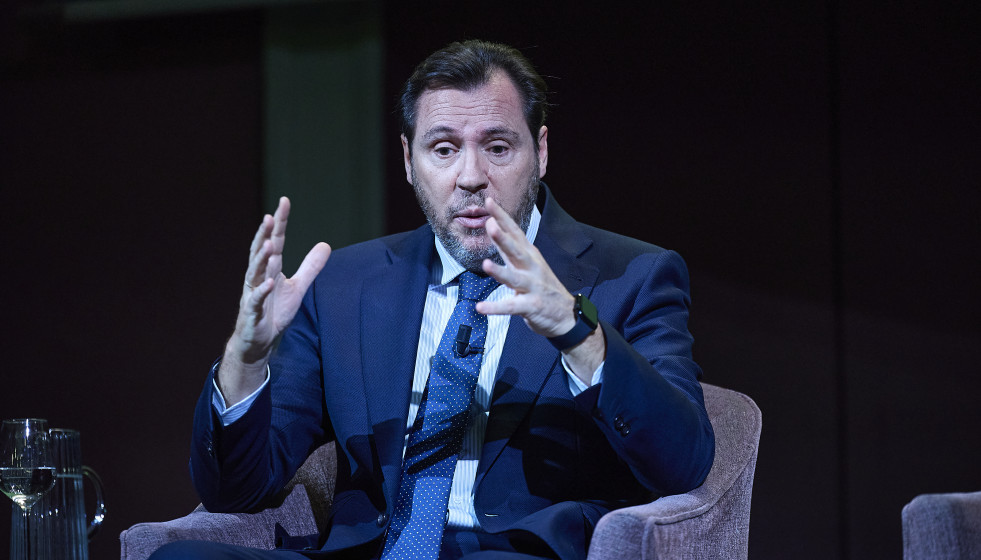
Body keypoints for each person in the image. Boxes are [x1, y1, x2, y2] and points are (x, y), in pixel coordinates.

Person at [152, 40, 715, 560]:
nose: (471, 176)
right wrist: (246, 358)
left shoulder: (631, 274)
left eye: (497, 147)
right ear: (408, 160)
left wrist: (575, 330)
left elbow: (683, 463)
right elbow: (237, 488)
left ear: (539, 151)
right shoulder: (346, 285)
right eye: (443, 149)